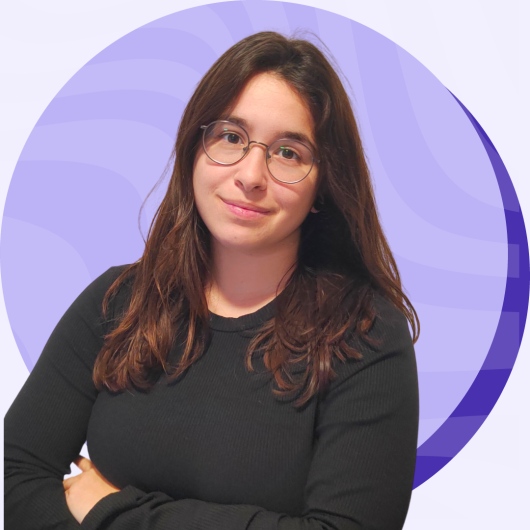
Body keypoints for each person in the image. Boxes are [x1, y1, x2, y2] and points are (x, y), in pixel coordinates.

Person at [4, 31, 419, 529]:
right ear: (193, 149)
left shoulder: (365, 337)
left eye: (288, 152)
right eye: (231, 137)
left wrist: (112, 514)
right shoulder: (119, 302)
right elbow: (14, 474)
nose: (251, 175)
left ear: (324, 185)